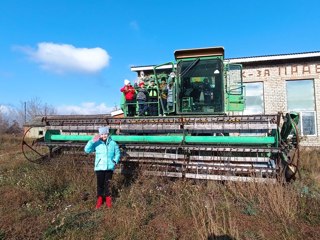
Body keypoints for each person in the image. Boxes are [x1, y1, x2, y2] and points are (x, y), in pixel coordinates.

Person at [84, 127, 121, 209]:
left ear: (108, 134)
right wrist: (92, 141)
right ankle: (100, 200)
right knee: (100, 185)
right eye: (102, 134)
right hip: (99, 167)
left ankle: (108, 200)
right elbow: (86, 150)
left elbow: (118, 153)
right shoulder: (96, 143)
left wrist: (115, 161)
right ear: (100, 135)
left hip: (109, 168)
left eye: (105, 134)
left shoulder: (113, 143)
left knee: (108, 184)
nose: (104, 135)